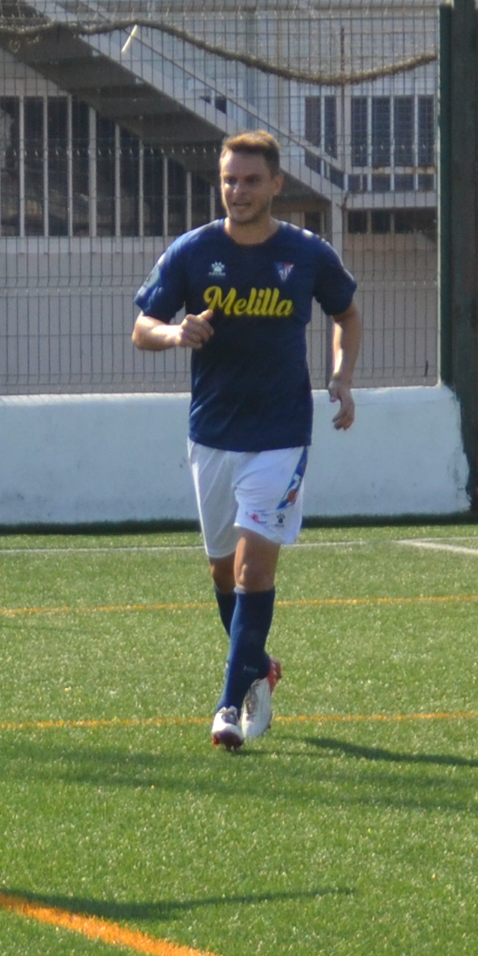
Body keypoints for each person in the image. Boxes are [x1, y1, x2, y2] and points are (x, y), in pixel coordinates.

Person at [128, 130, 360, 752]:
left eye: (251, 180)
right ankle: (258, 666)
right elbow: (141, 328)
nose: (238, 191)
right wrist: (176, 334)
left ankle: (228, 706)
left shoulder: (307, 253)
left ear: (276, 185)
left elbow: (347, 313)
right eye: (230, 180)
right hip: (213, 433)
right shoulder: (193, 252)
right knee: (223, 573)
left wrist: (341, 376)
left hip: (281, 435)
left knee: (255, 565)